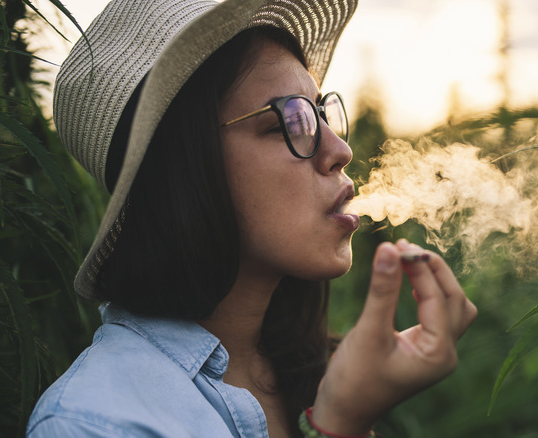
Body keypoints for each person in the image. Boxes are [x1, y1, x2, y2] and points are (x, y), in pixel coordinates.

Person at [27, 0, 477, 436]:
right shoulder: (94, 422)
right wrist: (339, 426)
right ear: (186, 167)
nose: (340, 150)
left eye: (322, 112)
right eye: (293, 120)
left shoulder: (314, 371)